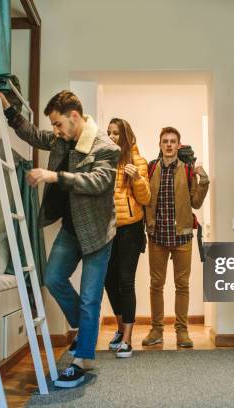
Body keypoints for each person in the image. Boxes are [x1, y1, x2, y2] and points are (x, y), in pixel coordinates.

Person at [0, 90, 120, 388]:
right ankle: (87, 333)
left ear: (74, 117)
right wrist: (9, 110)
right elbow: (35, 135)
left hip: (98, 232)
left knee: (90, 297)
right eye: (54, 125)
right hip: (71, 228)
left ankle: (83, 358)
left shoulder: (105, 147)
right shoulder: (62, 138)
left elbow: (98, 182)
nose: (55, 131)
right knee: (52, 278)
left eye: (58, 124)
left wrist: (54, 177)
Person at [142, 127, 209, 348]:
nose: (169, 145)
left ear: (178, 145)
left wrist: (204, 180)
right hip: (157, 237)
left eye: (173, 141)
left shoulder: (188, 170)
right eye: (165, 141)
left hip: (182, 237)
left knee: (182, 286)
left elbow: (196, 203)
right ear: (160, 144)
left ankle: (182, 331)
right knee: (156, 285)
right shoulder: (151, 168)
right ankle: (156, 329)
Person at [104, 118, 151, 358]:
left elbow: (144, 199)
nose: (112, 137)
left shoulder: (138, 161)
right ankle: (120, 329)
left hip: (130, 229)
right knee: (108, 281)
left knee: (125, 281)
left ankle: (127, 339)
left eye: (116, 134)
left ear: (126, 137)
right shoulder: (103, 159)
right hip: (107, 228)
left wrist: (138, 179)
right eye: (109, 133)